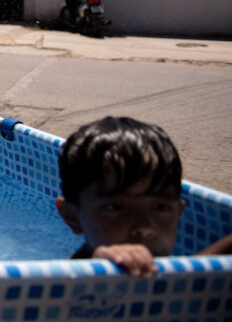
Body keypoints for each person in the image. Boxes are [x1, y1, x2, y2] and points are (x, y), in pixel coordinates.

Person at [55, 116, 232, 277]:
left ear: (179, 211)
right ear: (72, 216)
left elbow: (196, 274)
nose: (144, 227)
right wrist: (96, 271)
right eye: (114, 207)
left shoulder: (181, 283)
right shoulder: (53, 288)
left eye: (161, 207)